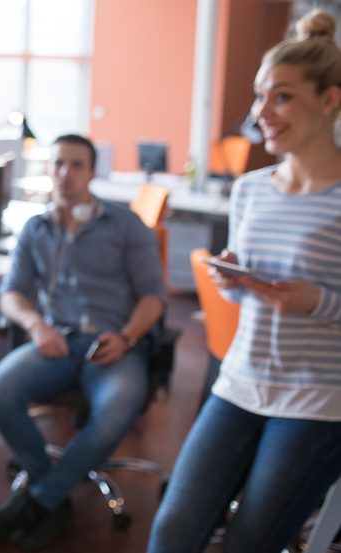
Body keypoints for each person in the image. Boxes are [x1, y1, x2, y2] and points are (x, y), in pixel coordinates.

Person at [148, 11, 341, 553]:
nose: (261, 113)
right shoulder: (251, 190)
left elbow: (324, 301)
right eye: (260, 97)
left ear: (329, 100)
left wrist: (320, 302)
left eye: (281, 97)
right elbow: (245, 290)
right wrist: (234, 278)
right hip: (240, 381)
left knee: (248, 543)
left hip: (318, 398)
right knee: (171, 531)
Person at [0, 134, 166, 548]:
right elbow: (11, 293)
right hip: (57, 340)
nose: (66, 173)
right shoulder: (37, 228)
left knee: (117, 405)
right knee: (1, 388)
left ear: (91, 171)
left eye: (76, 164)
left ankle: (41, 500)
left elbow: (154, 295)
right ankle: (53, 493)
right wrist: (35, 325)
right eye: (59, 163)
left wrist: (128, 336)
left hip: (114, 344)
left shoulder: (124, 224)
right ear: (49, 168)